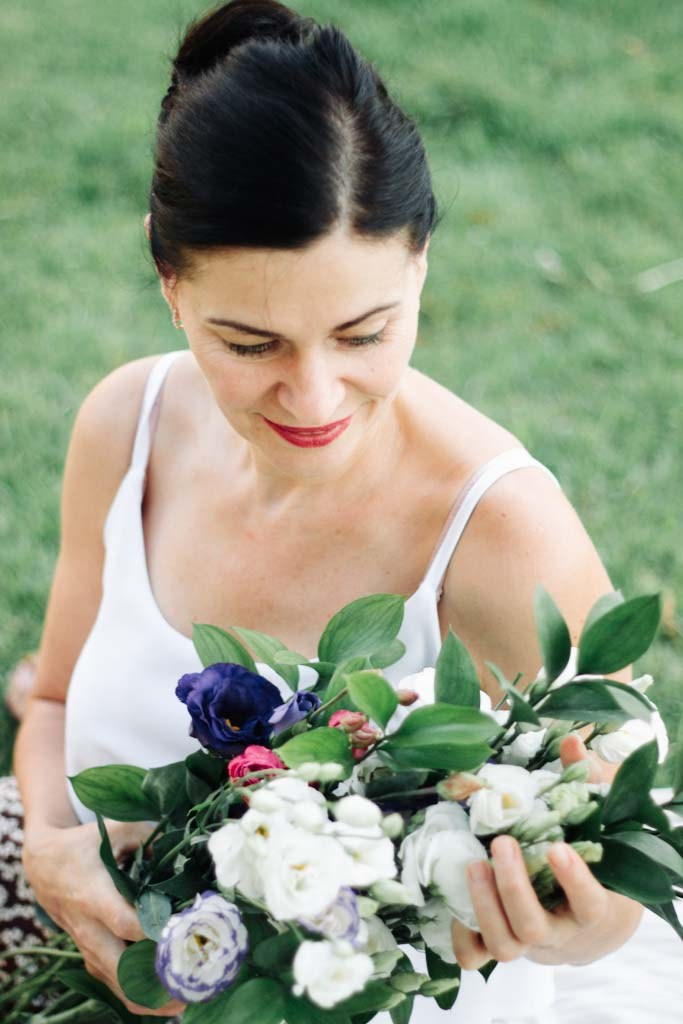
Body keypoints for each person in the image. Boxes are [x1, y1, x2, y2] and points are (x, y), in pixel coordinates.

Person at [1, 1, 659, 1020]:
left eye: (362, 332)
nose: (311, 399)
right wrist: (51, 836)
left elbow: (632, 855)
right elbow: (48, 705)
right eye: (248, 342)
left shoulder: (500, 529)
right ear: (166, 278)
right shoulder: (124, 427)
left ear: (419, 264)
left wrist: (586, 920)